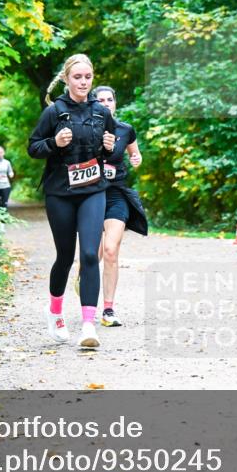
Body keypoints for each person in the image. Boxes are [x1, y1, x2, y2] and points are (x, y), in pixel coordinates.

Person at [28, 54, 116, 349]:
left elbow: (112, 148)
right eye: (77, 77)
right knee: (65, 257)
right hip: (60, 193)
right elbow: (34, 147)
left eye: (88, 77)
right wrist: (55, 143)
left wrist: (109, 147)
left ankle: (89, 324)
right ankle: (54, 312)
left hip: (93, 190)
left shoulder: (101, 112)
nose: (83, 82)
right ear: (66, 79)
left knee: (90, 254)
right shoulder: (54, 112)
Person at [94, 86, 148, 327]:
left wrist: (136, 159)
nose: (106, 103)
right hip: (91, 194)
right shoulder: (87, 128)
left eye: (109, 99)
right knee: (91, 255)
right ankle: (83, 275)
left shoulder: (126, 130)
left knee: (110, 250)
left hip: (116, 194)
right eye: (100, 100)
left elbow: (135, 156)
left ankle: (108, 310)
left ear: (115, 103)